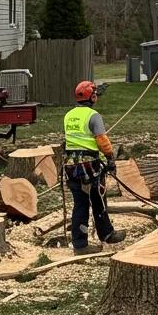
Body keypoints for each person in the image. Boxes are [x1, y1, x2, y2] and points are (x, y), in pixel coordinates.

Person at [63, 80, 126, 255]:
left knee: (86, 202)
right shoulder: (93, 115)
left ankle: (98, 236)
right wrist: (110, 158)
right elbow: (102, 140)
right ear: (91, 96)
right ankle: (86, 243)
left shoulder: (69, 115)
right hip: (89, 167)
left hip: (72, 167)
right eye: (94, 94)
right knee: (93, 202)